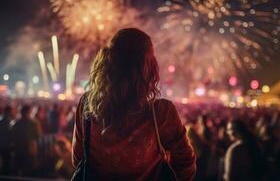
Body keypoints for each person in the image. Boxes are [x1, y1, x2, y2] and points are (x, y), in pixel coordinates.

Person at [72, 28, 196, 180]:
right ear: (149, 66)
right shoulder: (161, 113)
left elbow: (78, 159)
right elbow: (186, 165)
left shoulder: (87, 104)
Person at [11, 105, 40, 176]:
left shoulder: (15, 123)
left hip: (19, 149)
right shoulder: (33, 123)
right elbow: (37, 136)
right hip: (29, 150)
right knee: (28, 170)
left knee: (18, 169)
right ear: (28, 112)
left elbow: (12, 136)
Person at [0, 105, 15, 174]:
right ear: (9, 111)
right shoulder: (7, 121)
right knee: (6, 162)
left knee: (4, 161)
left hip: (1, 143)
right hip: (6, 144)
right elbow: (9, 133)